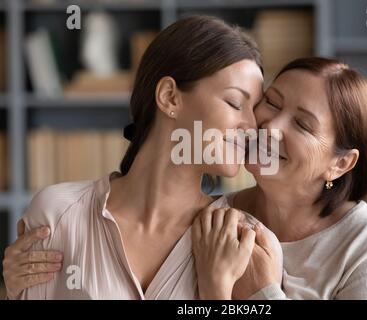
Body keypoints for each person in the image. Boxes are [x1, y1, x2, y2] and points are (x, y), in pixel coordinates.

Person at [2, 15, 283, 299]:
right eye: (235, 103)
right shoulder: (58, 216)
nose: (251, 126)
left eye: (254, 110)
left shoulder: (247, 243)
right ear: (170, 97)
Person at [193, 57, 367, 300]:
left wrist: (260, 292)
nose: (272, 127)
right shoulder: (213, 220)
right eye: (272, 102)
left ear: (340, 164)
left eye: (303, 125)